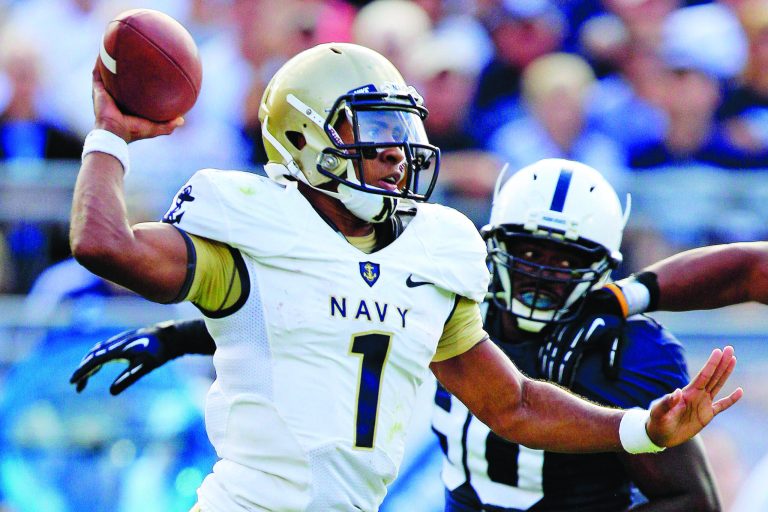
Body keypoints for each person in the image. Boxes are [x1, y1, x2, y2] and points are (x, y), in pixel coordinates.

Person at [70, 42, 740, 512]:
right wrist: (110, 138)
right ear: (305, 137)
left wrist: (641, 429)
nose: (397, 153)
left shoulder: (433, 251)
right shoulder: (249, 228)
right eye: (374, 130)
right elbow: (106, 245)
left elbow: (514, 404)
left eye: (404, 128)